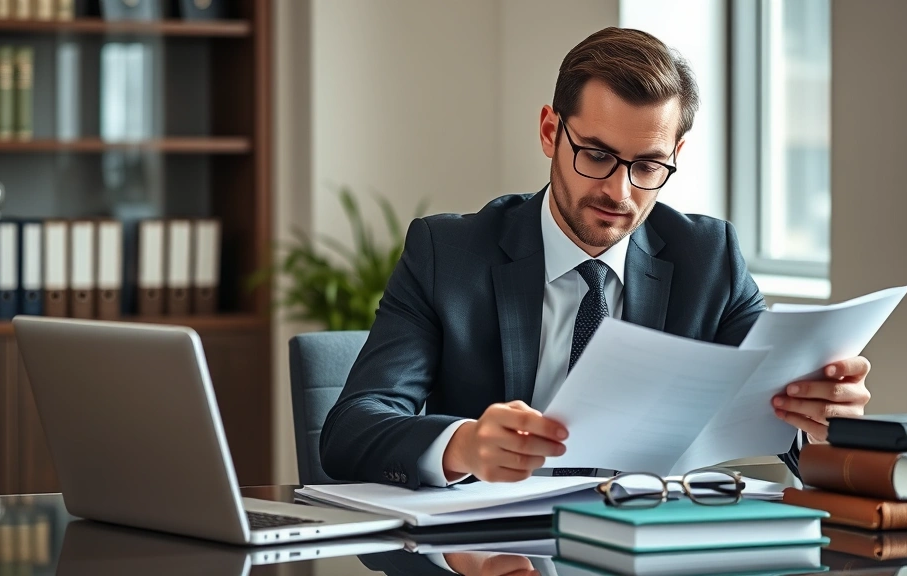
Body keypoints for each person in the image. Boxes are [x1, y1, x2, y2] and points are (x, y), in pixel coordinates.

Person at [320, 27, 871, 489]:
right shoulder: (449, 255)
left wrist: (820, 423)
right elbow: (351, 429)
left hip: (650, 549)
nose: (620, 192)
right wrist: (462, 446)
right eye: (597, 155)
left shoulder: (709, 259)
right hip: (497, 554)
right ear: (550, 131)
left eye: (648, 166)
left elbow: (775, 409)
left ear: (676, 155)